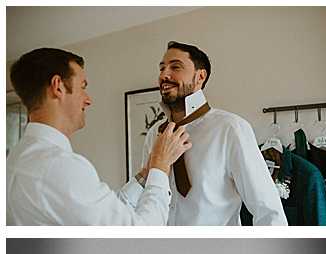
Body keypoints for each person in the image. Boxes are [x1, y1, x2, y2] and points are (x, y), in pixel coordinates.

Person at [6, 47, 191, 226]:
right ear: (58, 87)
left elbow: (101, 214)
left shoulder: (17, 158)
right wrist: (160, 168)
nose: (88, 99)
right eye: (82, 87)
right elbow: (139, 234)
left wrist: (145, 175)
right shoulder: (60, 167)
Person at [128, 42, 285, 226]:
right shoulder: (155, 134)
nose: (164, 75)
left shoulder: (230, 128)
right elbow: (147, 195)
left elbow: (268, 210)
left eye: (175, 67)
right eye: (161, 69)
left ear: (200, 76)